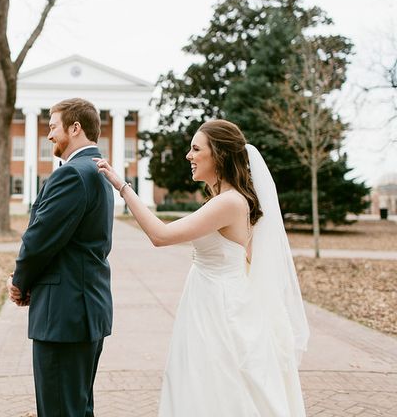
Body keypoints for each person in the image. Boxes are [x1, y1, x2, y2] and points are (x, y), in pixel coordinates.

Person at [94, 119, 309, 417]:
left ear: (218, 154)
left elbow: (161, 235)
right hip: (210, 298)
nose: (188, 156)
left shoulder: (229, 203)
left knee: (217, 388)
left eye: (196, 149)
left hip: (220, 309)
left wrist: (123, 187)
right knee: (201, 385)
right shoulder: (226, 200)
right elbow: (246, 254)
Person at [7, 98, 114, 417]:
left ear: (75, 128)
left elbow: (39, 239)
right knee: (77, 408)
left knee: (59, 410)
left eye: (53, 127)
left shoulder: (72, 174)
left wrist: (19, 282)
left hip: (64, 315)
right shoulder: (99, 172)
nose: (49, 135)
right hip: (85, 311)